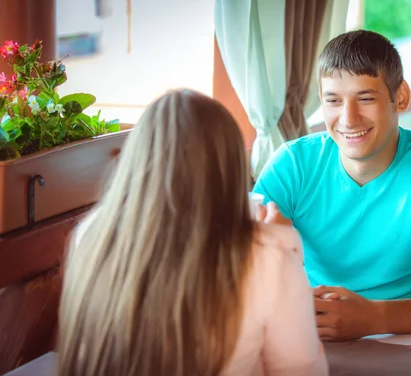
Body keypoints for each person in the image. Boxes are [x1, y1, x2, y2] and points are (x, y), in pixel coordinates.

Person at [57, 90, 328, 376]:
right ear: (229, 168)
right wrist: (286, 246)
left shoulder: (91, 233)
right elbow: (301, 368)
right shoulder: (265, 253)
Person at [253, 30, 411, 342]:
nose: (348, 118)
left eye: (365, 98)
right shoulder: (292, 164)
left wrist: (372, 318)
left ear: (400, 97)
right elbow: (241, 270)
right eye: (333, 101)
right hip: (316, 334)